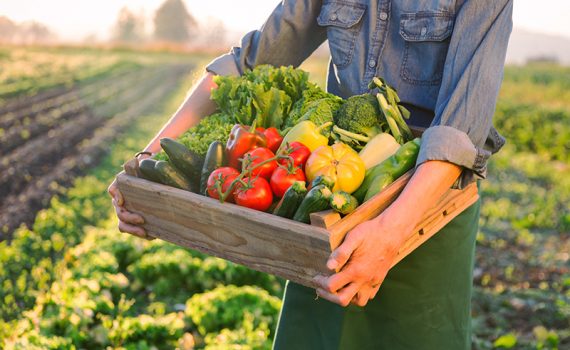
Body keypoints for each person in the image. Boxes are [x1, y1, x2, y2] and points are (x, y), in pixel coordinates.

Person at [108, 0, 513, 348]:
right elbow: (249, 62)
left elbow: (460, 128)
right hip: (333, 203)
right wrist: (146, 160)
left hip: (427, 206)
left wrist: (390, 235)